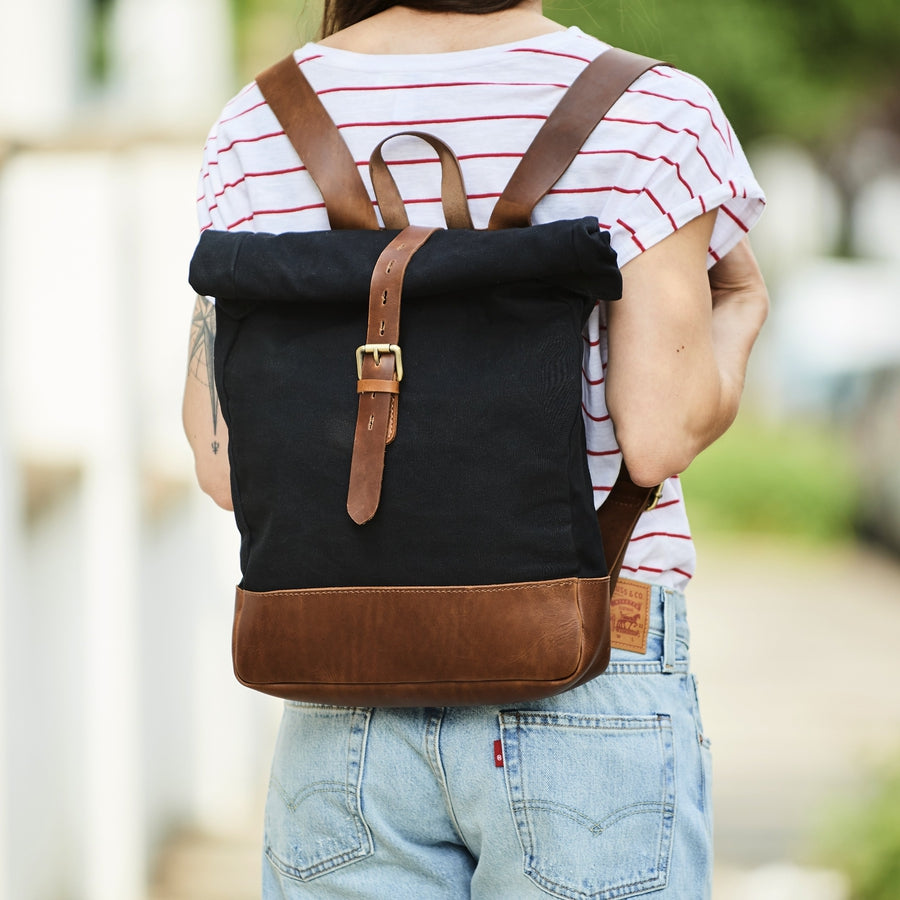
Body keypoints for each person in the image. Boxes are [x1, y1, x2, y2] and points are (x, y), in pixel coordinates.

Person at [183, 1, 769, 896]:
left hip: (344, 683)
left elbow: (225, 464)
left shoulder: (262, 119)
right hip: (584, 669)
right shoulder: (654, 111)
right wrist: (740, 315)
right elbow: (655, 437)